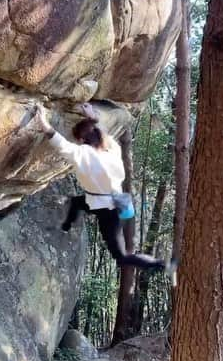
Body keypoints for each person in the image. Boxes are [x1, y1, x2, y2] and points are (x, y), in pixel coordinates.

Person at [35, 102, 176, 277]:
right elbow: (102, 133)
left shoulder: (83, 154)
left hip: (107, 211)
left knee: (122, 257)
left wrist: (42, 121)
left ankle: (163, 265)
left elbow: (59, 142)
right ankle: (66, 226)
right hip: (113, 202)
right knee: (77, 202)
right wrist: (92, 116)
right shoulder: (112, 149)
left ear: (80, 140)